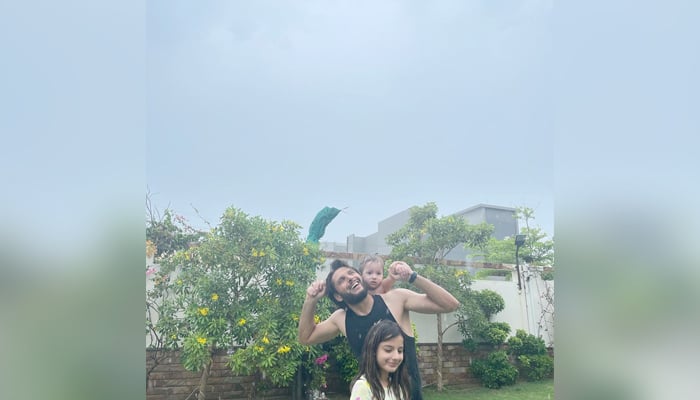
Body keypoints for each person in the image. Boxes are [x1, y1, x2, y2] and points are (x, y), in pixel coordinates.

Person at [298, 259, 459, 400]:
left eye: (351, 273)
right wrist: (310, 300)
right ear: (338, 296)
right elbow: (306, 338)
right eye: (342, 280)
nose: (350, 278)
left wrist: (412, 276)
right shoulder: (341, 319)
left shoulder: (395, 299)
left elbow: (450, 305)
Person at [349, 320, 410, 400]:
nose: (396, 357)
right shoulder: (363, 387)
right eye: (388, 350)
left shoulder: (398, 387)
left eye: (400, 351)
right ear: (373, 350)